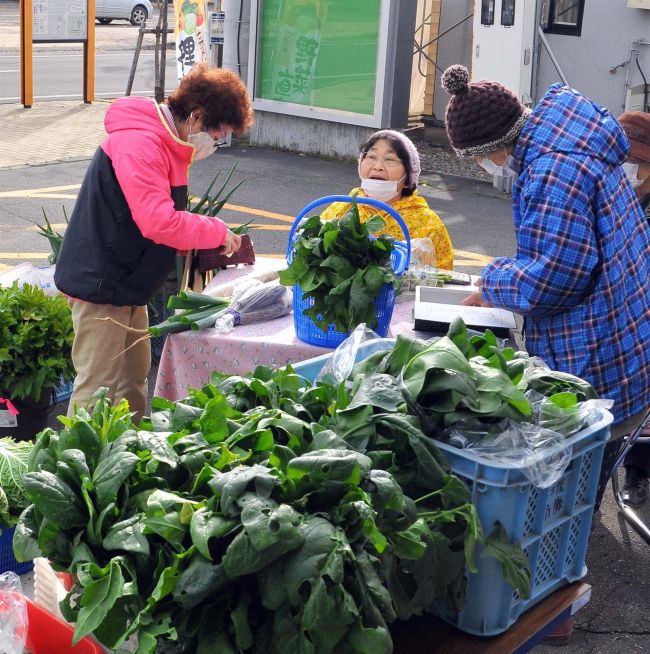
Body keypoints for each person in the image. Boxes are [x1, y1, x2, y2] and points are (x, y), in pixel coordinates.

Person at [442, 64, 650, 646]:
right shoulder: (567, 137)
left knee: (565, 494)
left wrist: (495, 280)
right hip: (623, 336)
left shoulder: (552, 168)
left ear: (494, 147)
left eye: (479, 159)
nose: (485, 170)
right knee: (577, 484)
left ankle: (554, 610)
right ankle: (557, 599)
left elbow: (556, 276)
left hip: (598, 349)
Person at [54, 64, 254, 423]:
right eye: (218, 131)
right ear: (197, 116)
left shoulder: (166, 141)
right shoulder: (141, 142)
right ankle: (72, 471)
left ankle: (125, 462)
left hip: (129, 280)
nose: (217, 141)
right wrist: (216, 230)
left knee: (132, 381)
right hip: (103, 281)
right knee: (99, 387)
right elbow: (159, 222)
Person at [320, 130, 454, 269]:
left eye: (389, 159)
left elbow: (443, 277)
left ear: (408, 176)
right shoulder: (342, 208)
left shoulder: (429, 223)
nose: (377, 167)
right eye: (371, 157)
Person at [616, 110, 650, 506]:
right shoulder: (612, 190)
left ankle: (637, 471)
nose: (628, 169)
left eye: (636, 163)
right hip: (616, 310)